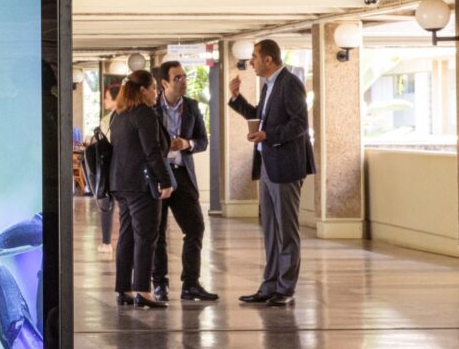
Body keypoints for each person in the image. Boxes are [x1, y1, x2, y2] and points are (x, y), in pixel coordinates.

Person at [228, 39, 316, 307]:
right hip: (267, 163)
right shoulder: (268, 86)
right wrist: (236, 99)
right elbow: (260, 115)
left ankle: (286, 288)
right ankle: (270, 285)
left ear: (268, 60)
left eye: (255, 57)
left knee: (286, 230)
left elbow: (300, 125)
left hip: (286, 165)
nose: (251, 62)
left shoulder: (290, 83)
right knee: (269, 229)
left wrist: (269, 135)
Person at [152, 61, 219, 302]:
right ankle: (159, 283)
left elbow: (202, 140)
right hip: (159, 175)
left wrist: (186, 144)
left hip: (182, 174)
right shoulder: (152, 107)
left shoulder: (191, 107)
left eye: (184, 77)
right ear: (164, 83)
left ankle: (190, 283)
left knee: (195, 228)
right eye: (177, 78)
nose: (183, 82)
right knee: (157, 232)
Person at [109, 70, 174, 309]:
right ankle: (144, 291)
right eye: (154, 87)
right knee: (146, 237)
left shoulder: (119, 114)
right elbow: (152, 150)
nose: (157, 92)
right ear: (143, 90)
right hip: (141, 184)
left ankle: (124, 289)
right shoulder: (144, 113)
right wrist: (165, 181)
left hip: (120, 183)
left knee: (126, 235)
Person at [97, 83, 121, 254]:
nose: (104, 101)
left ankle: (106, 243)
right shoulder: (131, 116)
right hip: (122, 168)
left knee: (107, 205)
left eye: (106, 98)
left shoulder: (108, 120)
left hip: (110, 168)